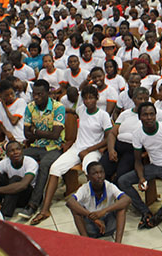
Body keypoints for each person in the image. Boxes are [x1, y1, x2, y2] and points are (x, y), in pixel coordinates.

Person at [31, 85, 111, 225]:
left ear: (97, 98)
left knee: (90, 171)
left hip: (93, 150)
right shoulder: (81, 110)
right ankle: (45, 209)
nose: (88, 101)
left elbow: (108, 137)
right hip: (77, 148)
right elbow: (71, 111)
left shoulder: (103, 115)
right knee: (55, 168)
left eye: (91, 98)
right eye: (85, 98)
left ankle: (94, 208)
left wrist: (89, 150)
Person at [118, 102, 162, 229]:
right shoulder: (137, 134)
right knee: (123, 181)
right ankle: (145, 212)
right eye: (145, 115)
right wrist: (141, 178)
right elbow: (138, 161)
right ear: (139, 117)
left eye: (152, 114)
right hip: (153, 166)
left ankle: (160, 215)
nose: (149, 118)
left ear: (156, 115)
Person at [17, 79, 66, 220]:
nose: (36, 97)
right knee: (17, 157)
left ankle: (33, 204)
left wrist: (35, 131)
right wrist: (40, 133)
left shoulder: (58, 107)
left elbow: (55, 135)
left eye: (40, 94)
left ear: (48, 93)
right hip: (36, 146)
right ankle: (18, 197)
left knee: (44, 165)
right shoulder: (30, 107)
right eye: (34, 94)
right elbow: (26, 134)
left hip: (54, 147)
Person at [66, 161, 131, 243]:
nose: (99, 176)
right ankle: (85, 240)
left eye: (101, 172)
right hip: (91, 228)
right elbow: (70, 202)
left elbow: (127, 199)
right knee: (75, 209)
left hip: (108, 225)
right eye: (95, 173)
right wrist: (92, 217)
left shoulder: (109, 186)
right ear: (88, 177)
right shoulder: (84, 189)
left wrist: (104, 211)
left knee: (121, 207)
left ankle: (118, 243)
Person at [0, 141, 38, 219]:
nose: (16, 152)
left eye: (18, 149)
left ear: (22, 151)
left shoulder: (30, 162)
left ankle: (4, 214)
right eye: (12, 151)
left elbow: (23, 185)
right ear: (7, 154)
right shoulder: (3, 163)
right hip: (12, 194)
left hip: (26, 196)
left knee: (15, 179)